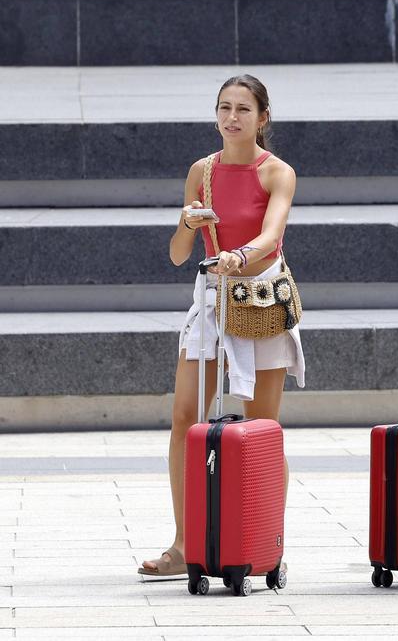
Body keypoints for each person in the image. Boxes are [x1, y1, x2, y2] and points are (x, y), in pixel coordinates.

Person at [139, 74, 304, 578]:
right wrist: (187, 225)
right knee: (184, 418)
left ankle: (263, 541)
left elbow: (272, 236)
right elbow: (176, 255)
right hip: (211, 302)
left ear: (263, 118)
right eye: (224, 108)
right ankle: (185, 544)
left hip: (259, 301)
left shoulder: (277, 172)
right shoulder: (201, 172)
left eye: (243, 109)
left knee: (261, 427)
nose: (232, 118)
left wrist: (238, 255)